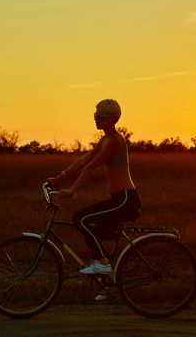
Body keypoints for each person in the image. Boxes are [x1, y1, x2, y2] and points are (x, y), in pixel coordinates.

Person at [47, 99, 141, 274]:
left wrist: (71, 191)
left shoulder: (115, 141)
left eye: (99, 115)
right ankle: (108, 279)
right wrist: (59, 177)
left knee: (80, 219)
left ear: (112, 119)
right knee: (91, 229)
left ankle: (104, 264)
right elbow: (84, 159)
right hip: (119, 199)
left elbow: (91, 167)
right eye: (94, 114)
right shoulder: (105, 139)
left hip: (126, 199)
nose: (95, 118)